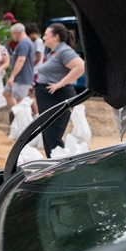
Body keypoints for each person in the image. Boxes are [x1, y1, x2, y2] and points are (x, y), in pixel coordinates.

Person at [35, 23, 86, 157]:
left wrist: (60, 84)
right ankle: (52, 164)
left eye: (46, 34)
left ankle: (59, 168)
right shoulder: (53, 52)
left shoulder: (64, 50)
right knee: (48, 133)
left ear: (56, 37)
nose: (43, 37)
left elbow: (80, 66)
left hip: (57, 96)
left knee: (53, 135)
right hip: (48, 96)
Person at [4, 23, 35, 107]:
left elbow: (21, 60)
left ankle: (19, 116)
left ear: (16, 33)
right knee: (7, 93)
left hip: (22, 77)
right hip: (20, 77)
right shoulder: (25, 42)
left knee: (19, 100)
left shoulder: (24, 43)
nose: (12, 36)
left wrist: (12, 76)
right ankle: (17, 114)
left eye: (12, 34)